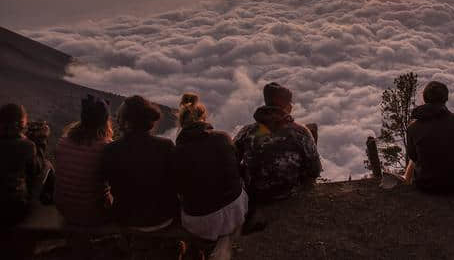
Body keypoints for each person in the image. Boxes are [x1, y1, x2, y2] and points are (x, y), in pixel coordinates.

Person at [172, 93, 248, 257]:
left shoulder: (175, 152)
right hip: (234, 211)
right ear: (204, 118)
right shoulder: (223, 138)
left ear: (181, 123)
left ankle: (204, 247)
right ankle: (224, 242)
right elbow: (235, 168)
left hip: (198, 221)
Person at [102, 95, 177, 235]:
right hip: (163, 218)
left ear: (126, 122)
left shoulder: (111, 150)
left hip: (126, 219)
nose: (116, 119)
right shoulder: (166, 146)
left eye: (119, 116)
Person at [234, 82, 321, 202]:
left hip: (254, 194)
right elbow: (315, 170)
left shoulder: (247, 132)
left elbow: (231, 162)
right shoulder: (301, 132)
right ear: (286, 106)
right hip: (290, 194)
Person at [55, 95, 113, 226]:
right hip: (93, 212)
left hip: (64, 208)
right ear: (105, 121)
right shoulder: (107, 147)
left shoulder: (64, 141)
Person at [406, 81, 454, 193]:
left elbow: (413, 156)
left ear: (425, 98)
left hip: (426, 185)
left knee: (413, 160)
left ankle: (406, 183)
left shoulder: (413, 127)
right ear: (445, 99)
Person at [0, 103, 44, 227]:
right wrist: (41, 141)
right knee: (46, 166)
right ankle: (49, 201)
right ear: (21, 123)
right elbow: (36, 170)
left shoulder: (25, 145)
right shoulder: (27, 146)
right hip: (14, 211)